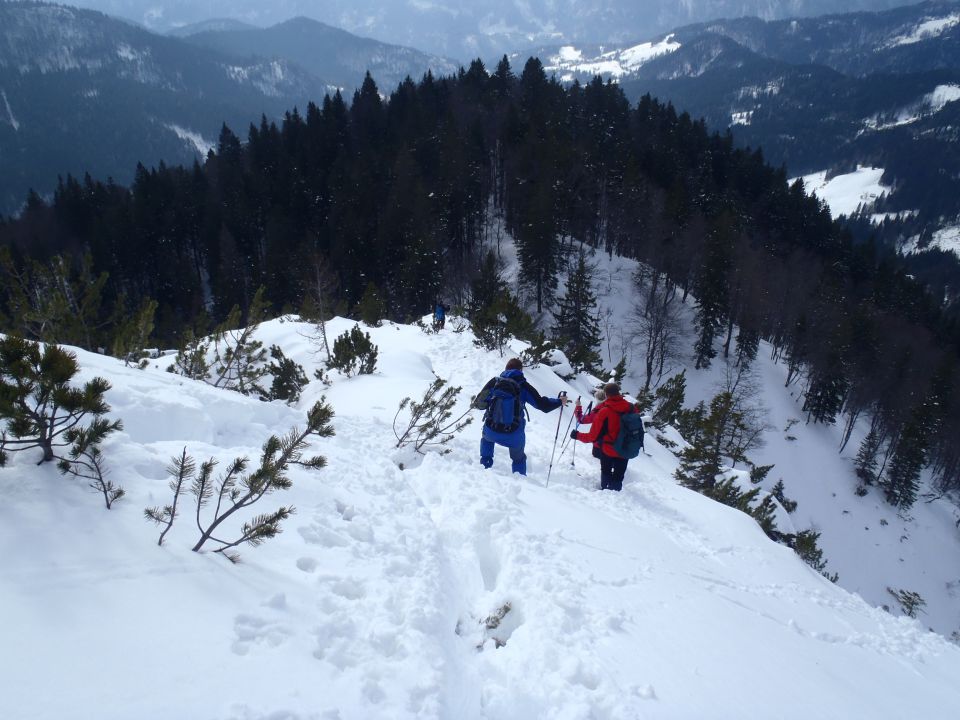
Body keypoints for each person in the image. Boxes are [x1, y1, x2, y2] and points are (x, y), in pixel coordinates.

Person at [473, 358, 568, 475]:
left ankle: (484, 467)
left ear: (506, 369)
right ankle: (520, 479)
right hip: (513, 434)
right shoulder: (523, 386)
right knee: (519, 459)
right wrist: (559, 401)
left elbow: (478, 404)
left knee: (486, 439)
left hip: (491, 430)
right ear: (520, 370)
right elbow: (543, 405)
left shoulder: (495, 382)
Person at [569, 382, 635, 491]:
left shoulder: (604, 411)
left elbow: (592, 436)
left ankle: (605, 492)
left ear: (606, 394)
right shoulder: (631, 408)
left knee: (606, 473)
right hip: (625, 449)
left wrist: (577, 435)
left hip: (608, 449)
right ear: (618, 392)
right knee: (618, 477)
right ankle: (616, 495)